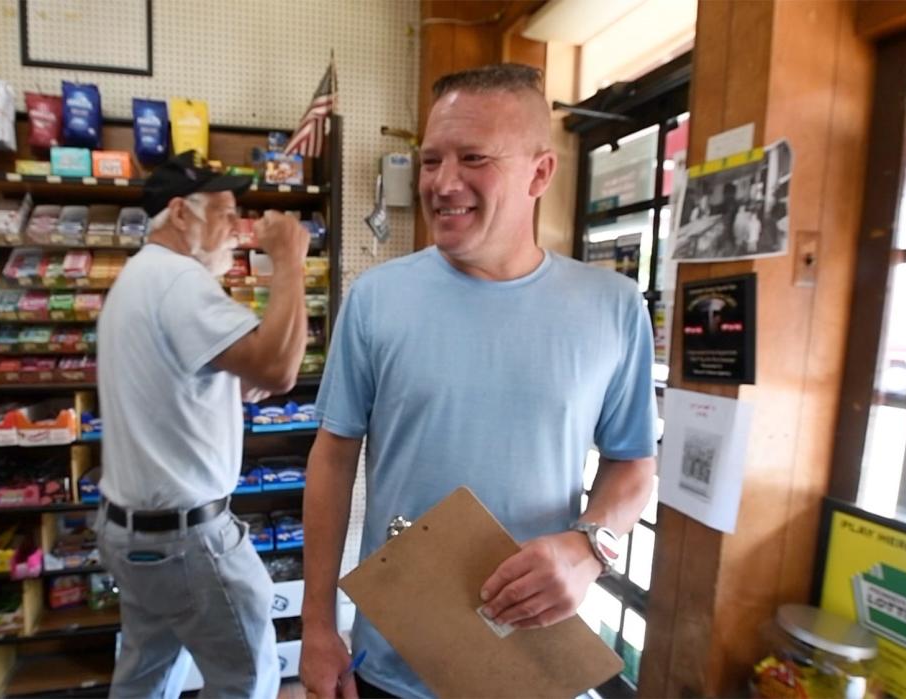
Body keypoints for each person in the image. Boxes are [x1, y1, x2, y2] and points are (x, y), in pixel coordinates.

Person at [299, 64, 659, 698]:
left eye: (473, 158)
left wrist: (588, 547)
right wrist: (316, 624)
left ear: (540, 173)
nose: (443, 182)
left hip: (531, 656)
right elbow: (332, 459)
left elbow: (633, 465)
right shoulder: (377, 297)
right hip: (391, 656)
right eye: (432, 159)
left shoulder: (613, 305)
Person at [95, 150, 311, 698]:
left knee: (147, 673)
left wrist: (223, 393)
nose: (237, 232)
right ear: (181, 214)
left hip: (133, 532)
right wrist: (288, 261)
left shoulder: (137, 279)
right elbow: (279, 368)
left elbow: (170, 387)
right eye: (224, 212)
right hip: (187, 540)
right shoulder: (178, 281)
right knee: (249, 677)